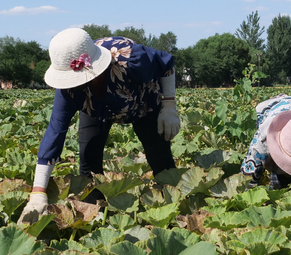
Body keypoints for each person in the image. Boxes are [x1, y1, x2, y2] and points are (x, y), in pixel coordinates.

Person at [17, 28, 180, 225]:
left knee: (160, 158)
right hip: (95, 111)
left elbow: (166, 63)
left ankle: (175, 210)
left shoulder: (130, 58)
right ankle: (95, 216)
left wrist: (169, 104)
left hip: (142, 104)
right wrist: (38, 193)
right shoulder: (68, 92)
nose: (75, 85)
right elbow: (55, 132)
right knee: (88, 162)